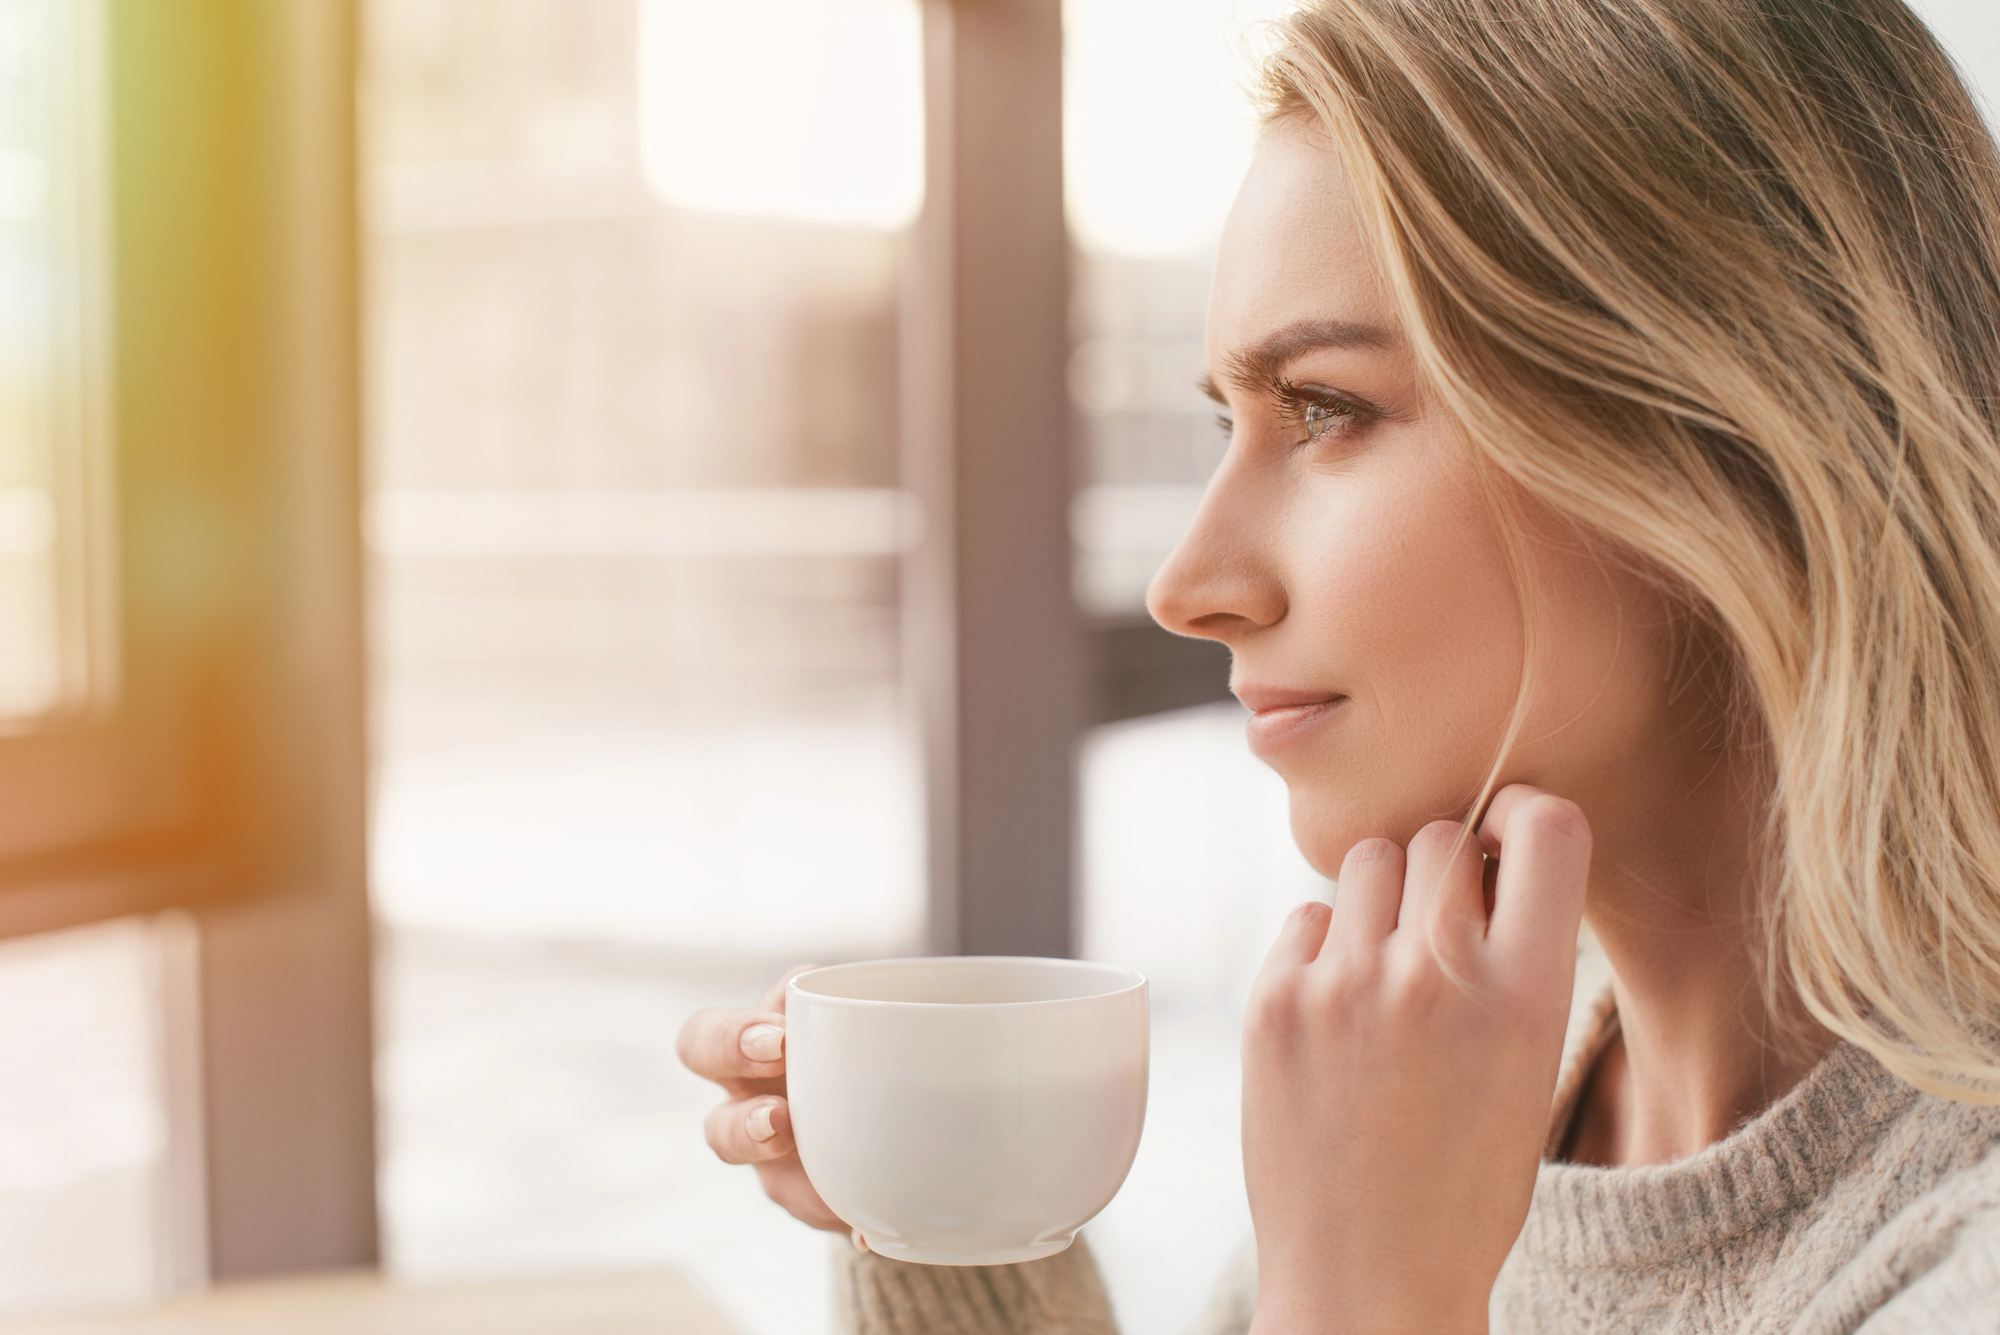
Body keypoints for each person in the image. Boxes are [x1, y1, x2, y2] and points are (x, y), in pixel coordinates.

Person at [676, 0, 2000, 1329]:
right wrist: (946, 1219)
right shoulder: (1446, 1081)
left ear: (1728, 441)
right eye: (1227, 422)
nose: (1186, 586)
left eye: (1324, 410)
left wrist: (1372, 1299)